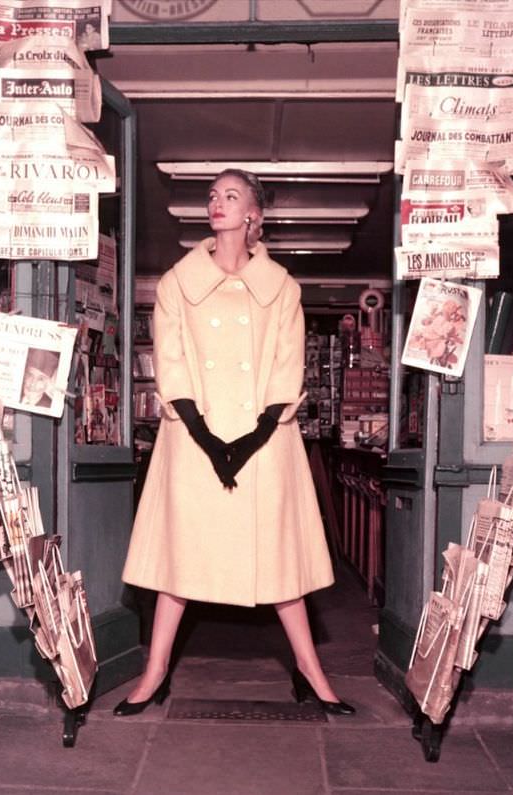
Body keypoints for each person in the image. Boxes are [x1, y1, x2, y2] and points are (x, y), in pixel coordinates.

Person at [114, 168, 354, 717]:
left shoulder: (283, 288)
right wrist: (206, 436)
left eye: (231, 196)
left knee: (278, 563)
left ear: (254, 215)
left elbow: (286, 369)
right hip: (192, 442)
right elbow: (171, 364)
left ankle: (311, 673)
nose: (217, 203)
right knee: (179, 562)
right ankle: (154, 674)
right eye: (212, 196)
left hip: (265, 445)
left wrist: (247, 443)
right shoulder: (178, 283)